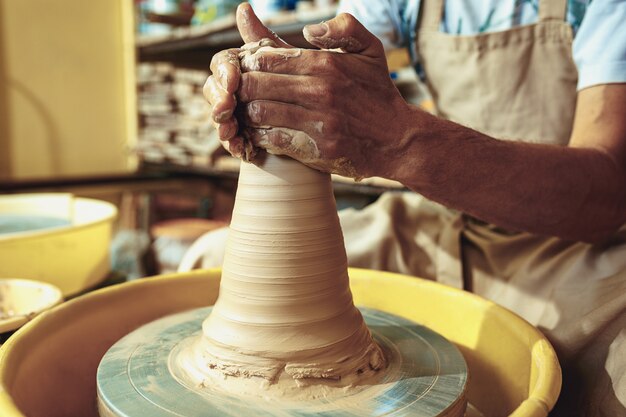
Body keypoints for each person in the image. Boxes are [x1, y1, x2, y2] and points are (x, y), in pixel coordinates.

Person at [198, 1, 626, 415]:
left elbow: (606, 192)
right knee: (210, 260)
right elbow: (325, 69)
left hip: (568, 243)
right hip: (444, 219)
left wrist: (398, 140)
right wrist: (262, 81)